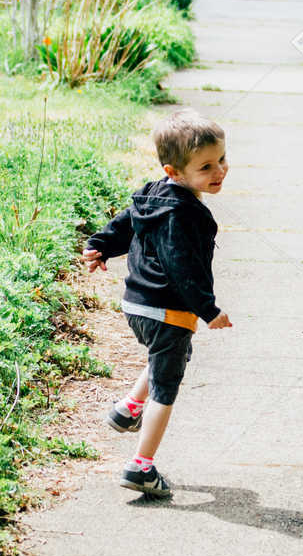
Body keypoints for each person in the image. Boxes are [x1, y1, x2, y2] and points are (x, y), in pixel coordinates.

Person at [82, 110, 233, 498]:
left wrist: (100, 245)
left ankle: (129, 407)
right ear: (175, 170)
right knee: (167, 387)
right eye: (206, 166)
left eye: (221, 160)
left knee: (169, 357)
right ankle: (141, 467)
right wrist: (208, 309)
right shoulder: (185, 215)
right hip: (169, 311)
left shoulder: (153, 194)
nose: (219, 171)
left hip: (137, 305)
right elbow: (182, 267)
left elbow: (128, 221)